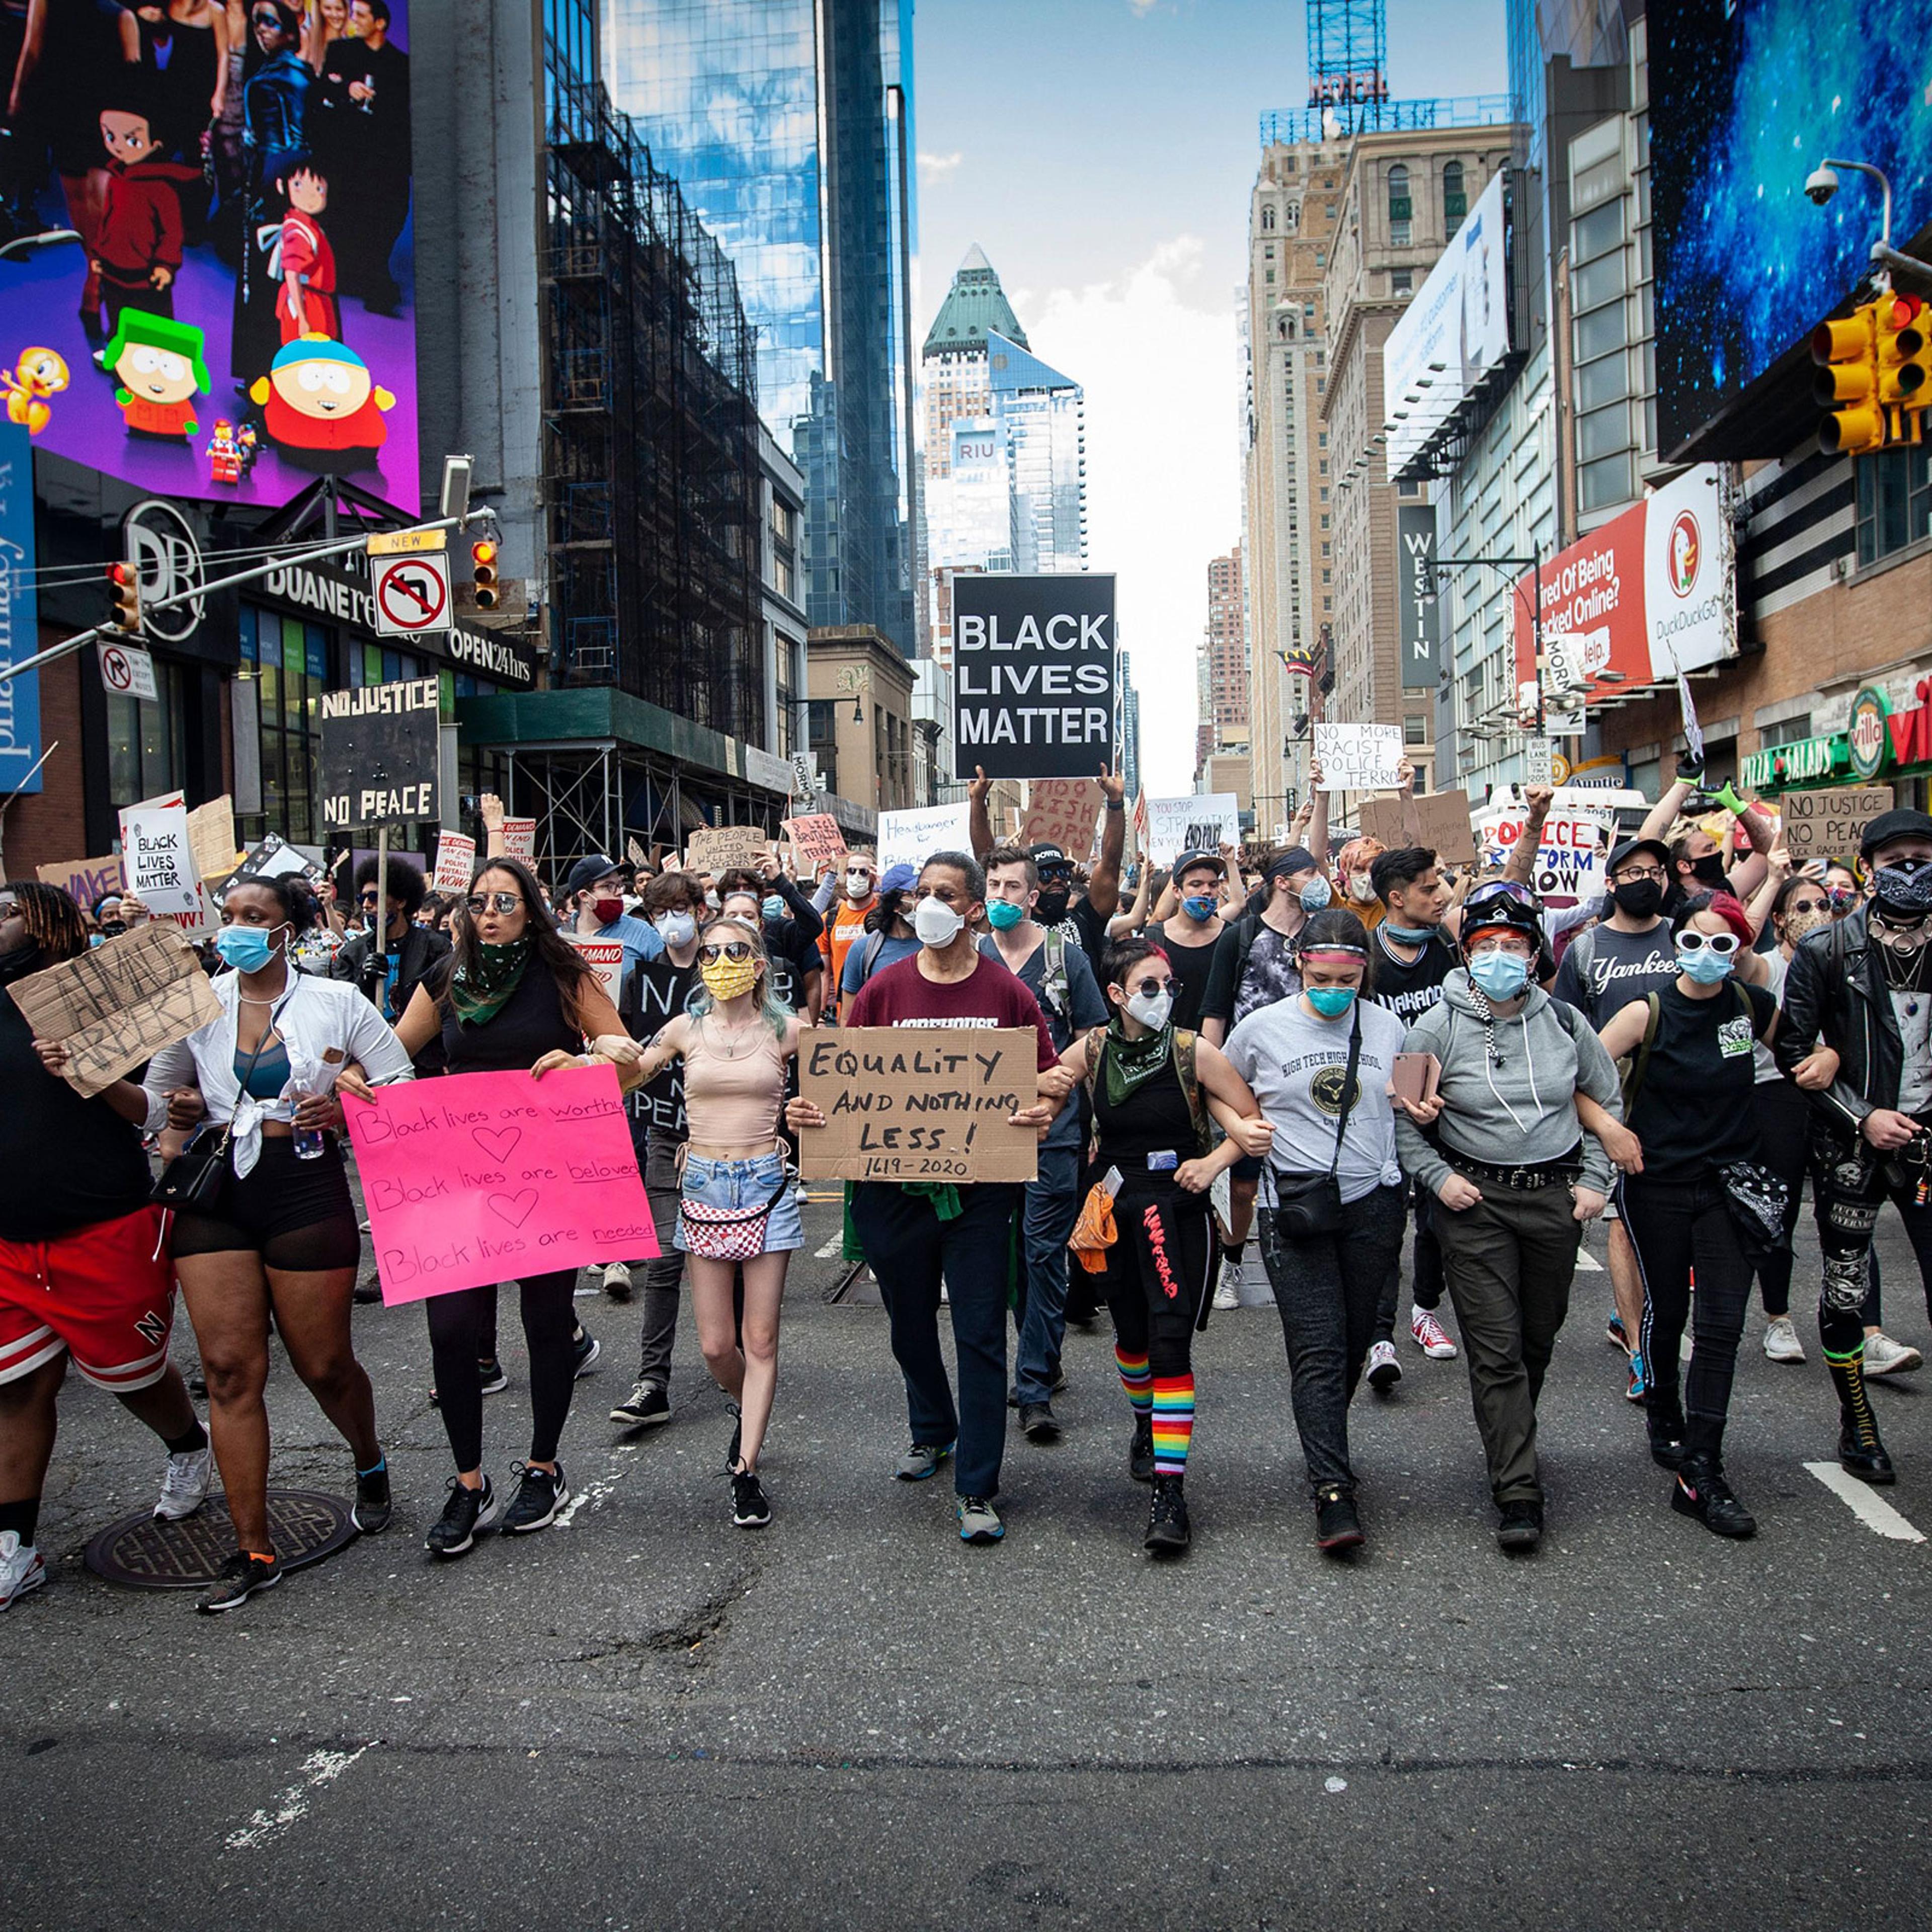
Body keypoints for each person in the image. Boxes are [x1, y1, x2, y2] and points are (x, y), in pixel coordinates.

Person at [112, 874, 413, 1612]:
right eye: (230, 916)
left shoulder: (336, 1001)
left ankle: (368, 1460)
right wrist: (171, 1112)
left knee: (323, 1363)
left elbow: (401, 1084)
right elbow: (159, 1103)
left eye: (256, 916)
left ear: (288, 930)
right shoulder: (198, 1005)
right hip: (216, 1191)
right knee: (227, 1370)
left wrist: (343, 1106)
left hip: (303, 1188)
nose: (236, 928)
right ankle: (253, 1546)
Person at [357, 857, 633, 1557]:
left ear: (530, 909)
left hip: (547, 1173)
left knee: (546, 1322)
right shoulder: (448, 976)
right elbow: (390, 1053)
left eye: (504, 901)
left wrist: (588, 1059)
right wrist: (356, 1079)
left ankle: (543, 1468)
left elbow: (625, 1052)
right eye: (478, 901)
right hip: (459, 1175)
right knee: (450, 1330)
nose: (488, 913)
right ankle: (468, 1480)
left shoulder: (564, 971)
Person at [786, 852, 1062, 1546]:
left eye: (946, 894)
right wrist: (812, 1115)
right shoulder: (883, 989)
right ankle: (933, 1429)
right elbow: (845, 1083)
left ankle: (978, 1485)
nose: (928, 904)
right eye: (921, 894)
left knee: (978, 1333)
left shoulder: (1006, 995)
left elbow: (1050, 1079)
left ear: (974, 909)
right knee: (909, 1327)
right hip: (891, 1195)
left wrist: (1040, 1112)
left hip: (978, 1197)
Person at [2, 883, 213, 1613]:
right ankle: (15, 1548)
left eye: (8, 913)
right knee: (20, 1387)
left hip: (103, 1226)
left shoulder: (95, 1002)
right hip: (9, 1241)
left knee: (131, 1375)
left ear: (49, 925)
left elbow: (162, 1110)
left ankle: (188, 1443)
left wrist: (85, 1071)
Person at [1394, 890, 1621, 1552]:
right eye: (1485, 946)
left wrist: (1594, 1182)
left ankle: (1511, 1435)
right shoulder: (1432, 1028)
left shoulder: (1567, 1024)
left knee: (1535, 1342)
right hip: (1475, 1204)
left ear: (1535, 955)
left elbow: (1605, 1102)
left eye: (1513, 945)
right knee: (1496, 1353)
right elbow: (1406, 1127)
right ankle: (1518, 1489)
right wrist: (1441, 1181)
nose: (1499, 957)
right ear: (1466, 956)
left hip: (1554, 1201)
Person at [581, 918, 802, 1528]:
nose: (720, 959)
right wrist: (583, 1060)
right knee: (715, 1347)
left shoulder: (790, 1033)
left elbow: (850, 1085)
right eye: (711, 951)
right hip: (703, 1186)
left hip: (766, 1184)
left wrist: (809, 1114)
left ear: (758, 964)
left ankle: (746, 1470)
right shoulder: (684, 1029)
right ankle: (749, 1407)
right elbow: (630, 1076)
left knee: (760, 1342)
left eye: (735, 950)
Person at [1058, 937, 1271, 1552]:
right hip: (1112, 1210)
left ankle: (1170, 1494)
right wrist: (1034, 1099)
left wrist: (1213, 1164)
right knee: (1129, 1338)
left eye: (1168, 984)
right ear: (1118, 995)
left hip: (1176, 1210)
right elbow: (1047, 1086)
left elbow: (1250, 1121)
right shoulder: (1094, 1048)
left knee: (1171, 1343)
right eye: (1148, 987)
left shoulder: (1194, 1051)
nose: (1162, 996)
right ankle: (1144, 1426)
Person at [1226, 908, 1422, 1551]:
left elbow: (1409, 1102)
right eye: (1321, 976)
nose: (1334, 989)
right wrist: (1238, 1132)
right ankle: (1332, 1491)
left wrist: (1422, 1102)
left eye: (1347, 978)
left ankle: (1323, 1443)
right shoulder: (1260, 1030)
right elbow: (1218, 1090)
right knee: (1317, 1349)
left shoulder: (1390, 1027)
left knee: (1353, 1339)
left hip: (1375, 1205)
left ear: (1364, 973)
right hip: (1298, 1208)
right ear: (1299, 967)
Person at [1597, 892, 1777, 1538]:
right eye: (1693, 941)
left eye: (1722, 943)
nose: (1706, 955)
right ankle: (1664, 1414)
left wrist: (1831, 1058)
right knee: (1666, 1312)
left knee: (1723, 1326)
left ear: (1740, 950)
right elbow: (1580, 1075)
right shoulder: (1647, 1012)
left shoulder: (1754, 1007)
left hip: (1730, 1188)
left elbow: (1797, 1061)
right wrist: (1611, 1132)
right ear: (1677, 944)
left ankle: (1702, 1469)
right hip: (1659, 1185)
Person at [1776, 808, 1932, 1487]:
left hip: (1928, 1141)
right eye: (1896, 860)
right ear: (1868, 869)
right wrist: (1862, 1115)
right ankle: (1857, 1423)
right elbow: (1791, 1050)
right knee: (1845, 1288)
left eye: (1923, 858)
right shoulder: (1827, 950)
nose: (1911, 871)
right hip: (1851, 1148)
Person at [981, 845, 1108, 1442]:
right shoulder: (969, 959)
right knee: (1006, 1261)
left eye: (1012, 888)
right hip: (980, 1136)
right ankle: (1044, 1355)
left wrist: (1061, 1101)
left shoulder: (1066, 959)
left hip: (1052, 1134)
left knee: (1042, 1254)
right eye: (993, 885)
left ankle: (1033, 1385)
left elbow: (1093, 1038)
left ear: (1034, 897)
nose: (1000, 897)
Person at [1552, 837, 1682, 1400]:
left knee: (1680, 1234)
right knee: (1624, 1225)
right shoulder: (1584, 952)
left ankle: (1639, 1318)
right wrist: (1597, 1120)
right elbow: (1569, 1044)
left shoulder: (1688, 937)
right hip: (1617, 1112)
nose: (1643, 879)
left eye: (1653, 870)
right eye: (1630, 872)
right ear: (1610, 884)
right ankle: (1640, 1349)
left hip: (1686, 1110)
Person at [1200, 843, 1333, 1303]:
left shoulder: (1323, 935)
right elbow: (1215, 1012)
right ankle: (1231, 1264)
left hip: (1312, 1078)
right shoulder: (1241, 936)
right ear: (1282, 882)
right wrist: (1208, 1077)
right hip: (1247, 1083)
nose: (1321, 882)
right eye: (1312, 874)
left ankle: (1309, 1263)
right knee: (1241, 1185)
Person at [606, 871, 704, 1416]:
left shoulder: (722, 971)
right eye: (660, 912)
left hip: (721, 1139)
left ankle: (733, 1356)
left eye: (680, 908)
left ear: (698, 908)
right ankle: (653, 1381)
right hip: (665, 1131)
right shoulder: (643, 980)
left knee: (724, 1262)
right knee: (665, 1260)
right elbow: (628, 1050)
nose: (672, 921)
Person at [1365, 845, 1463, 1370]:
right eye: (1430, 887)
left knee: (1435, 1217)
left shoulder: (1450, 946)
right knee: (1383, 1221)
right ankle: (1380, 1337)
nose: (1442, 894)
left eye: (1443, 883)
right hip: (1380, 1110)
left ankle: (1425, 1310)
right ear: (1397, 898)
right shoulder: (1369, 955)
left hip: (1443, 1107)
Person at [966, 767, 1130, 961]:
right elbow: (987, 861)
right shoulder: (1010, 922)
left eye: (1062, 872)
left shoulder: (1086, 918)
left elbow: (1110, 865)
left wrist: (1115, 802)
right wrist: (978, 800)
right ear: (1029, 886)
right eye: (1046, 874)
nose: (1057, 879)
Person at [328, 855, 450, 1064]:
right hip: (366, 1062)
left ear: (401, 901)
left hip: (423, 1062)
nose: (366, 905)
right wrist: (363, 982)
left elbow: (446, 1008)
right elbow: (339, 1014)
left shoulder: (435, 949)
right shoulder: (351, 954)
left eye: (374, 897)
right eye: (362, 898)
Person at [716, 863, 823, 1018]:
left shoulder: (780, 931)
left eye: (748, 888)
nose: (741, 894)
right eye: (733, 889)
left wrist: (781, 882)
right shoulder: (709, 939)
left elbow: (813, 926)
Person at [1145, 849, 1229, 1034]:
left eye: (1213, 885)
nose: (1206, 891)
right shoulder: (1155, 938)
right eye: (1196, 884)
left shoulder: (1232, 936)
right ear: (1177, 891)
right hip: (1170, 1050)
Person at [561, 853, 664, 1000]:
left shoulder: (643, 933)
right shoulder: (559, 939)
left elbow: (665, 986)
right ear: (584, 896)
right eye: (609, 886)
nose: (619, 892)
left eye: (619, 885)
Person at [839, 863, 919, 1006]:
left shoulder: (937, 945)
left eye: (923, 894)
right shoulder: (863, 949)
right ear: (895, 905)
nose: (922, 902)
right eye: (914, 895)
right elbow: (849, 1017)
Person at [817, 849, 879, 1014]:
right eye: (852, 871)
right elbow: (824, 973)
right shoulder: (829, 919)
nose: (857, 876)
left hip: (879, 1010)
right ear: (845, 874)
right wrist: (821, 1016)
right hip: (844, 1013)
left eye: (864, 872)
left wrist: (884, 885)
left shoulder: (886, 914)